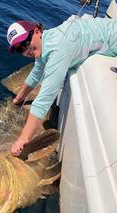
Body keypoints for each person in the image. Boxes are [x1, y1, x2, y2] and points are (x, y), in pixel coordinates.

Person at [7, 16, 117, 156]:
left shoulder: (56, 50)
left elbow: (44, 99)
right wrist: (19, 98)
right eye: (20, 49)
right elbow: (36, 74)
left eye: (26, 42)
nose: (26, 49)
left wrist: (23, 139)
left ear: (37, 31)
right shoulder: (44, 44)